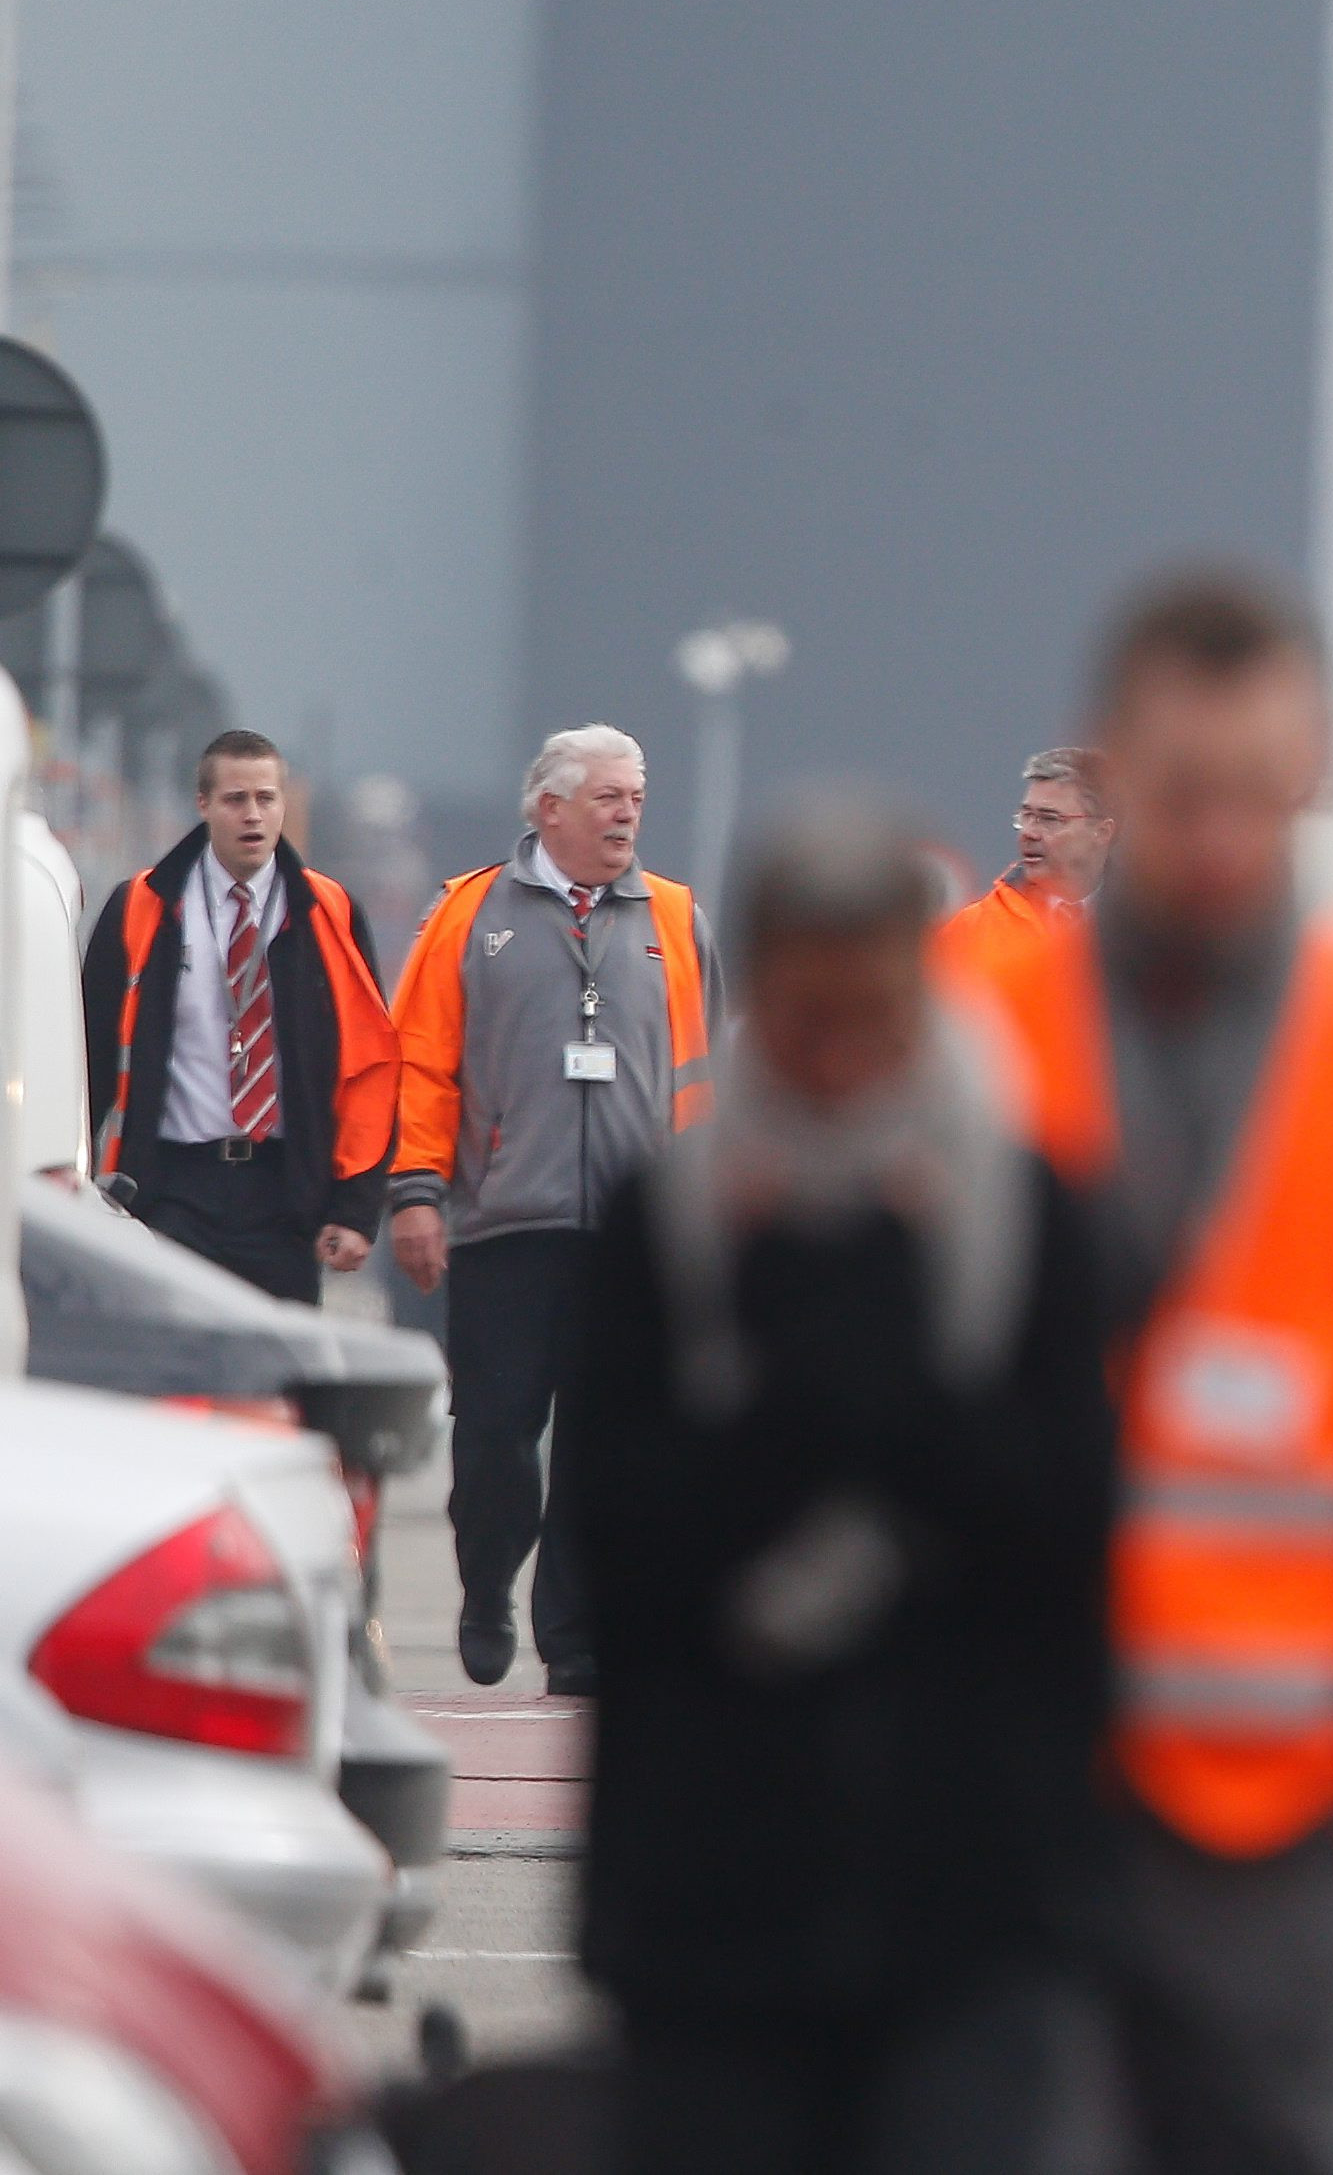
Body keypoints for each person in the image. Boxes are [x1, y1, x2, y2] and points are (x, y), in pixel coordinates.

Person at [953, 570, 1333, 2175]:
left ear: (1313, 772)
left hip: (1283, 1795)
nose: (1219, 838)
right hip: (1011, 1768)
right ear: (1114, 767)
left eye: (1256, 793)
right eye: (1184, 794)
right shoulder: (975, 1025)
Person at [565, 806, 1121, 2175]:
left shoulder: (1020, 1217)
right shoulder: (671, 1219)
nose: (837, 1065)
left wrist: (894, 1365)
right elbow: (618, 1554)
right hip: (709, 1905)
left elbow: (1067, 1536)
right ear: (759, 1000)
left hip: (973, 1897)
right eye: (806, 1024)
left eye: (873, 1022)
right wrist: (797, 1375)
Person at [391, 725, 724, 1695]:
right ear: (550, 809)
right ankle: (487, 1582)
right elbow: (422, 1062)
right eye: (609, 797)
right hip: (505, 1223)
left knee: (602, 1440)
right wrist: (415, 1190)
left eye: (637, 798)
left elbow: (706, 1073)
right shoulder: (468, 912)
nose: (629, 815)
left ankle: (574, 1641)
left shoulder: (675, 918)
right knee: (496, 1434)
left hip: (633, 1233)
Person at [80, 729, 399, 1303]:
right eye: (235, 799)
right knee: (172, 1348)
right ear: (203, 805)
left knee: (277, 1354)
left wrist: (356, 1206)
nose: (253, 815)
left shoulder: (329, 911)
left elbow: (369, 1063)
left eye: (266, 798)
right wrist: (74, 1179)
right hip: (171, 1189)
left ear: (283, 804)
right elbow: (89, 1057)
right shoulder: (142, 906)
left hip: (284, 1195)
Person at [936, 747, 1111, 978]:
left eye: (1049, 819)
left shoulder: (1148, 928)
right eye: (1026, 816)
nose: (1028, 832)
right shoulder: (970, 931)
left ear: (1102, 832)